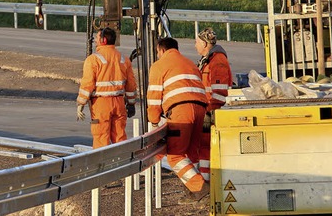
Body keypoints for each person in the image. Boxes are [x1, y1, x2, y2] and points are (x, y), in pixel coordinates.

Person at [147, 37, 209, 203]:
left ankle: (200, 188)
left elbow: (153, 97)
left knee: (175, 155)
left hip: (181, 110)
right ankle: (193, 193)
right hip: (200, 108)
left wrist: (154, 121)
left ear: (161, 50)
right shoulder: (189, 63)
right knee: (191, 153)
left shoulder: (159, 65)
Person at [76, 27, 137, 149]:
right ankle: (121, 165)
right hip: (119, 103)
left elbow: (87, 84)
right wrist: (131, 103)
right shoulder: (124, 59)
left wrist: (81, 103)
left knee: (101, 139)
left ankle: (101, 166)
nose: (95, 41)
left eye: (97, 38)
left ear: (103, 40)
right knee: (120, 138)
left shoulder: (93, 59)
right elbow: (131, 85)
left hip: (101, 104)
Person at [194, 27, 232, 182]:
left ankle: (207, 183)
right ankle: (206, 181)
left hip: (211, 111)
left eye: (196, 42)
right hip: (207, 110)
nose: (195, 46)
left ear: (204, 43)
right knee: (203, 148)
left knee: (206, 148)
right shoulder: (210, 59)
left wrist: (210, 113)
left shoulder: (217, 61)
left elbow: (220, 91)